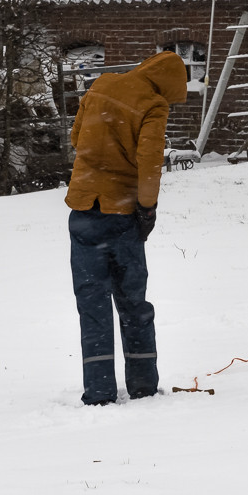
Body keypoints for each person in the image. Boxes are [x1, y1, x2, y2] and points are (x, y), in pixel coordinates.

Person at [64, 49, 189, 405]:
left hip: (84, 210)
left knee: (92, 304)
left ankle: (99, 390)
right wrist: (147, 209)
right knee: (133, 302)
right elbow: (149, 163)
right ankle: (143, 385)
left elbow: (76, 138)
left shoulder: (102, 85)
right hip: (122, 216)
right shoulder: (153, 105)